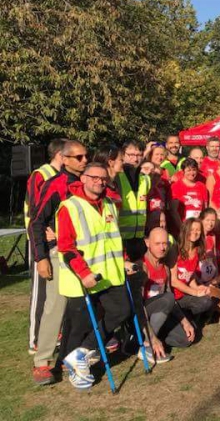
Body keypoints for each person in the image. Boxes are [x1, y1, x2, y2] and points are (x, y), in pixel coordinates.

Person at [57, 163, 131, 390]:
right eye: (95, 177)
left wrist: (125, 259)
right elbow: (66, 247)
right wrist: (84, 272)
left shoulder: (109, 203)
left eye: (103, 178)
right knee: (79, 325)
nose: (99, 182)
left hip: (110, 275)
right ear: (84, 178)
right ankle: (75, 369)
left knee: (122, 310)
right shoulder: (70, 206)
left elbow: (114, 237)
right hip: (81, 277)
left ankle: (80, 354)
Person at [27, 139, 87, 386]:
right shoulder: (55, 185)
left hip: (85, 254)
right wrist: (41, 257)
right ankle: (42, 362)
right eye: (79, 157)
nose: (84, 160)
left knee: (81, 306)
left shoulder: (88, 182)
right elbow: (37, 222)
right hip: (57, 255)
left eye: (86, 156)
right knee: (55, 307)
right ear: (65, 159)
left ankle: (74, 353)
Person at [25, 138, 64, 360]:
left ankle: (54, 334)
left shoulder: (62, 178)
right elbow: (36, 210)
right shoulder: (40, 175)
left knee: (53, 294)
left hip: (55, 240)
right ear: (60, 155)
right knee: (40, 293)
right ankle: (35, 340)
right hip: (38, 240)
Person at [139, 227, 195, 357]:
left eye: (165, 244)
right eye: (157, 244)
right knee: (167, 298)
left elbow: (171, 301)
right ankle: (147, 343)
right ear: (147, 243)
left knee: (186, 339)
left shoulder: (165, 267)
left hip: (161, 312)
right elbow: (138, 307)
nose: (162, 248)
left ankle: (154, 339)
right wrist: (151, 337)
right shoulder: (142, 266)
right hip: (143, 316)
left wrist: (185, 322)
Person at [171, 218, 217, 320]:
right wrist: (195, 292)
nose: (195, 232)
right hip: (175, 296)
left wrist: (197, 287)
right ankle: (182, 317)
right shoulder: (175, 250)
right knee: (204, 301)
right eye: (192, 229)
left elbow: (190, 276)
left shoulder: (197, 251)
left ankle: (187, 317)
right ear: (185, 230)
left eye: (198, 230)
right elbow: (174, 281)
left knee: (208, 298)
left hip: (187, 294)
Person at [117, 140, 152, 260]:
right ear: (123, 155)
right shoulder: (117, 178)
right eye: (131, 155)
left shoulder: (145, 179)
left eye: (138, 155)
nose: (135, 159)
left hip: (140, 237)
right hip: (121, 238)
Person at [169, 159, 208, 228]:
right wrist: (182, 228)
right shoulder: (176, 186)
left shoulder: (202, 187)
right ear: (183, 171)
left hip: (197, 227)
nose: (192, 173)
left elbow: (205, 209)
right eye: (188, 170)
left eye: (194, 170)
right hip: (182, 227)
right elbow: (173, 211)